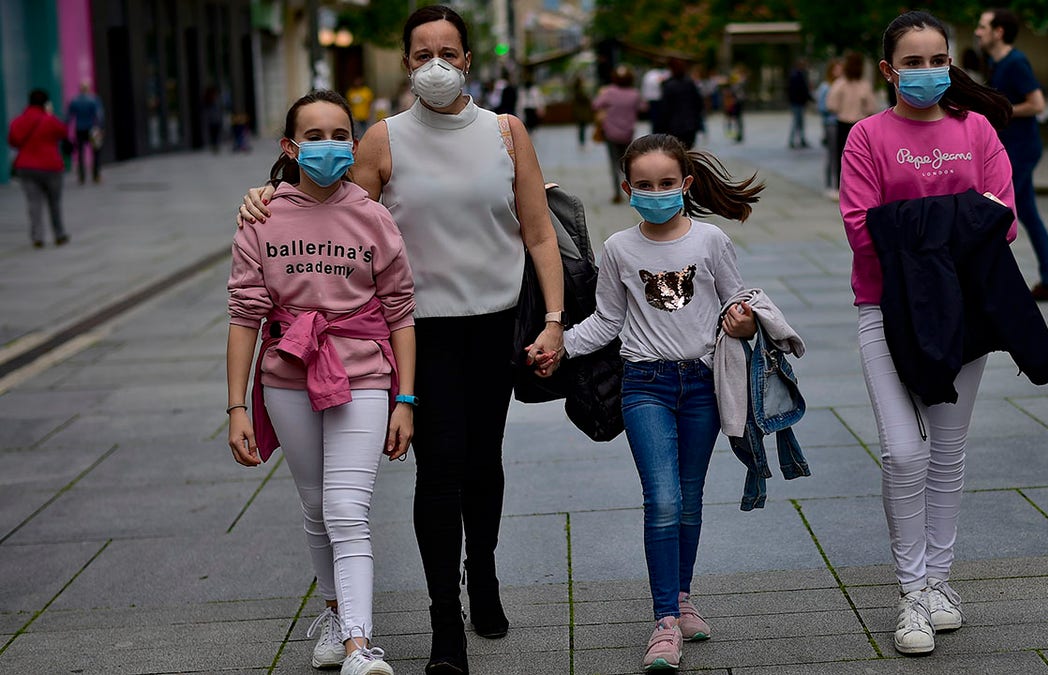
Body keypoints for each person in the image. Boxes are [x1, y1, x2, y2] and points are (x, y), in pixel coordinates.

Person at [237, 7, 565, 674]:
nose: (436, 63)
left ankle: (486, 575)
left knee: (484, 462)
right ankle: (446, 623)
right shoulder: (383, 139)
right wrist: (265, 193)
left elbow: (537, 230)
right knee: (439, 468)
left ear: (469, 59)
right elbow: (331, 209)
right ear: (409, 63)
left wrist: (555, 318)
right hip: (419, 331)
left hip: (494, 322)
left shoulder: (506, 132)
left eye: (448, 50)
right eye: (422, 54)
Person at [542, 133, 763, 671]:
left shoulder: (710, 243)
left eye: (667, 184)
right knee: (661, 498)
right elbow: (608, 321)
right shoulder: (620, 248)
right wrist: (558, 343)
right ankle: (664, 620)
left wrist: (746, 320)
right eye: (644, 185)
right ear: (627, 189)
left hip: (702, 386)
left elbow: (739, 302)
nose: (656, 193)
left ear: (685, 185)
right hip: (644, 385)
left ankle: (683, 598)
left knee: (689, 498)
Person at [839, 10, 1018, 656]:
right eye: (911, 62)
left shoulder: (979, 134)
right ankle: (910, 588)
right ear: (889, 71)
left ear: (951, 63)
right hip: (884, 311)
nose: (926, 71)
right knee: (904, 453)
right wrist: (957, 223)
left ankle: (938, 583)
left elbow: (1005, 223)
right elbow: (863, 229)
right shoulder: (866, 137)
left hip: (964, 315)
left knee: (947, 453)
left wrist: (913, 226)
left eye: (936, 59)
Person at [226, 90, 415, 675]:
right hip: (286, 377)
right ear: (290, 147)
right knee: (314, 506)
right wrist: (237, 407)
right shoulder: (262, 216)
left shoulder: (373, 216)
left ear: (354, 145)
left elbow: (401, 311)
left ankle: (359, 643)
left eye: (339, 135)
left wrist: (404, 398)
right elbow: (244, 315)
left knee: (344, 507)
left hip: (363, 374)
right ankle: (335, 615)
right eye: (314, 136)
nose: (328, 146)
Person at [976, 8, 1048, 301]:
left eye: (983, 26)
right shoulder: (995, 62)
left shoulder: (1016, 62)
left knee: (1001, 214)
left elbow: (1037, 104)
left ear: (999, 32)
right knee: (1027, 215)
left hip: (1022, 151)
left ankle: (999, 284)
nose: (977, 32)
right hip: (1011, 149)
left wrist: (1003, 111)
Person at [8, 89, 70, 248]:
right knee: (54, 203)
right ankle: (59, 234)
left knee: (33, 203)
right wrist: (50, 114)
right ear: (46, 103)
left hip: (27, 167)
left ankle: (37, 236)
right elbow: (63, 132)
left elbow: (13, 141)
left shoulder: (19, 121)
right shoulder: (50, 120)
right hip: (51, 166)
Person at [826, 51, 879, 197]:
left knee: (840, 157)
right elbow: (871, 107)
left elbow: (831, 105)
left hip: (842, 123)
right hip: (860, 124)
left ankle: (839, 187)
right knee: (861, 158)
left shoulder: (840, 84)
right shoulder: (864, 85)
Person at [593, 65, 645, 203]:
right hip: (628, 133)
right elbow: (643, 107)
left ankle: (617, 193)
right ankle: (631, 190)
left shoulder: (609, 92)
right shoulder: (634, 94)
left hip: (611, 132)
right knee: (627, 164)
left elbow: (596, 105)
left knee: (613, 163)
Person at [659, 58, 705, 149]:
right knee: (688, 152)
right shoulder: (690, 83)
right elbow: (699, 103)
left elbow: (664, 109)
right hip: (689, 125)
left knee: (676, 152)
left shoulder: (668, 85)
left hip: (673, 126)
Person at [66, 80, 104, 184]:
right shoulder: (94, 99)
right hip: (93, 128)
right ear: (89, 88)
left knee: (80, 153)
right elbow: (99, 115)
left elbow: (69, 117)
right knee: (96, 152)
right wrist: (101, 127)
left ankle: (82, 177)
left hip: (80, 128)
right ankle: (96, 175)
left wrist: (66, 129)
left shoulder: (74, 101)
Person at [815, 59, 843, 200]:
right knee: (832, 155)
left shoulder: (844, 84)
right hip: (831, 123)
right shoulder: (826, 87)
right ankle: (830, 185)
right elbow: (821, 107)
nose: (839, 71)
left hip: (843, 122)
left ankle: (838, 184)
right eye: (836, 68)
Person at [787, 59, 813, 148]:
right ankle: (794, 140)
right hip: (798, 102)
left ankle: (800, 139)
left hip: (797, 102)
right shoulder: (798, 75)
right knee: (797, 122)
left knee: (799, 122)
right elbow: (802, 89)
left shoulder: (796, 74)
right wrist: (809, 98)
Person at [641, 62, 669, 134]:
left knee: (656, 121)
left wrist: (645, 99)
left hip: (655, 100)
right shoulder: (666, 73)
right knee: (659, 121)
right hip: (658, 100)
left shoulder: (649, 74)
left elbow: (645, 88)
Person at [570, 74, 593, 148]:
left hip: (579, 112)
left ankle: (582, 142)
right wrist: (588, 97)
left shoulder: (576, 90)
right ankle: (582, 143)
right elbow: (585, 99)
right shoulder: (579, 90)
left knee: (581, 128)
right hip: (581, 112)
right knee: (582, 128)